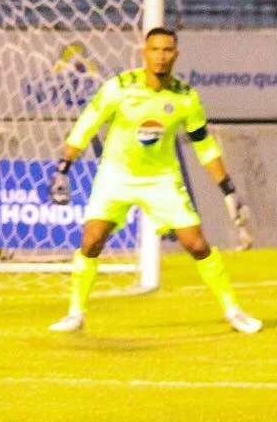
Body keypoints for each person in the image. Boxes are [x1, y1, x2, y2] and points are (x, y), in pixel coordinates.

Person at [46, 28, 260, 336]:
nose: (160, 57)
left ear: (176, 55)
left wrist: (228, 190)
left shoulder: (185, 98)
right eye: (155, 50)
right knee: (91, 241)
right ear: (143, 53)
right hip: (116, 175)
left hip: (160, 179)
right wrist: (63, 168)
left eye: (167, 50)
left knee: (196, 244)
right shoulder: (118, 88)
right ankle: (75, 314)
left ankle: (233, 311)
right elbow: (86, 126)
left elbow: (204, 145)